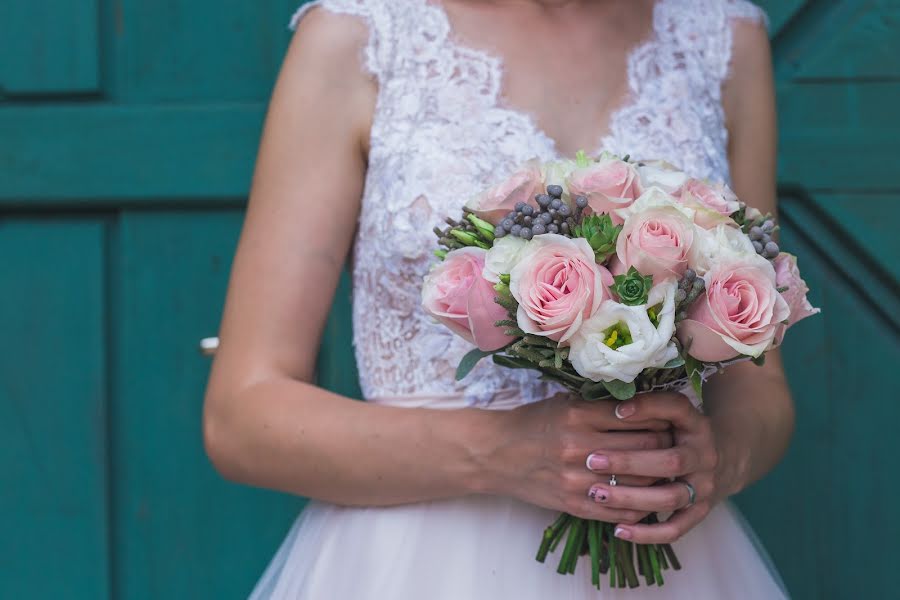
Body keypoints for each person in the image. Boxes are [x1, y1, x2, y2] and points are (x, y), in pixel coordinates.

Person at [202, 0, 793, 597]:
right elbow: (241, 417)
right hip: (417, 565)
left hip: (669, 555)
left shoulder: (721, 39)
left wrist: (715, 460)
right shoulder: (360, 36)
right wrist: (501, 452)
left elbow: (760, 390)